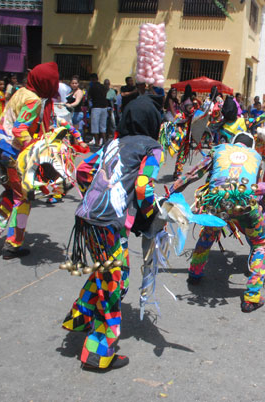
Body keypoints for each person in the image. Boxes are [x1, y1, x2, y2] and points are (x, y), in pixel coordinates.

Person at [62, 93, 164, 370]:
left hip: (87, 219)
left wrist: (95, 198)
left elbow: (83, 170)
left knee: (109, 273)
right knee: (114, 284)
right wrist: (153, 216)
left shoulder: (113, 143)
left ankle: (79, 316)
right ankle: (98, 350)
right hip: (108, 224)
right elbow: (143, 186)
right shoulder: (153, 148)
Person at [170, 132, 265, 312]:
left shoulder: (219, 149)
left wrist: (172, 191)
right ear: (251, 148)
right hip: (245, 203)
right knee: (260, 243)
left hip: (218, 201)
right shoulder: (257, 157)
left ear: (233, 143)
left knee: (209, 232)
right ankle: (252, 296)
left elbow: (194, 174)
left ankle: (195, 273)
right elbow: (258, 189)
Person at [0, 62, 61, 259]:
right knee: (23, 198)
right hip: (12, 153)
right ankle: (13, 244)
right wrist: (34, 147)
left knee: (11, 192)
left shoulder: (21, 92)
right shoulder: (34, 100)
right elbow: (19, 129)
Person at [87, 73, 108, 146]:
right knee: (103, 125)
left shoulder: (92, 87)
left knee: (95, 125)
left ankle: (96, 142)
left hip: (96, 107)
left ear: (92, 79)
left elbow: (89, 97)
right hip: (104, 107)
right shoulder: (103, 86)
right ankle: (104, 141)